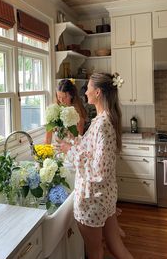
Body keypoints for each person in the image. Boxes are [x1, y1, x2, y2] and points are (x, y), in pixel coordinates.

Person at [56, 72, 133, 259]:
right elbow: (94, 153)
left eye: (89, 88)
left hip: (92, 200)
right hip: (103, 197)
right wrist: (74, 145)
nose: (85, 93)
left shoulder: (102, 124)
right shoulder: (103, 120)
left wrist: (70, 150)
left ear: (98, 92)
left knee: (95, 252)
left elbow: (99, 171)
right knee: (116, 247)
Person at [45, 79, 87, 144]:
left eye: (65, 97)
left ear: (72, 95)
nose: (61, 100)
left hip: (71, 149)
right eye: (59, 97)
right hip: (56, 147)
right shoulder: (54, 110)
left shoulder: (77, 112)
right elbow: (48, 137)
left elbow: (78, 139)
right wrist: (45, 151)